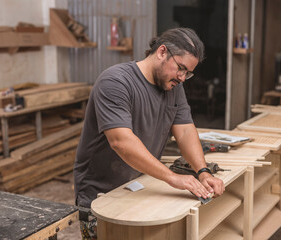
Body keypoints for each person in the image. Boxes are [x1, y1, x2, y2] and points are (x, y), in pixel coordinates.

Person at [74, 27, 225, 239]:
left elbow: (184, 130)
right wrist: (173, 178)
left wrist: (202, 171)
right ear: (162, 52)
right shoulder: (115, 82)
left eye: (188, 73)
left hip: (141, 184)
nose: (182, 78)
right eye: (180, 68)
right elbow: (121, 142)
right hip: (102, 194)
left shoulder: (173, 87)